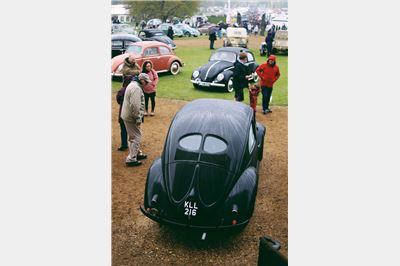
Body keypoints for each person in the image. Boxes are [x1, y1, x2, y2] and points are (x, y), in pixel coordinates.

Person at [120, 73, 148, 167]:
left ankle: (136, 153)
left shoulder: (132, 84)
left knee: (133, 136)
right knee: (136, 137)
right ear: (142, 80)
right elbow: (135, 106)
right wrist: (138, 118)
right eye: (146, 82)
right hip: (131, 117)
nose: (147, 84)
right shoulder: (136, 88)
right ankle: (131, 159)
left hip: (127, 116)